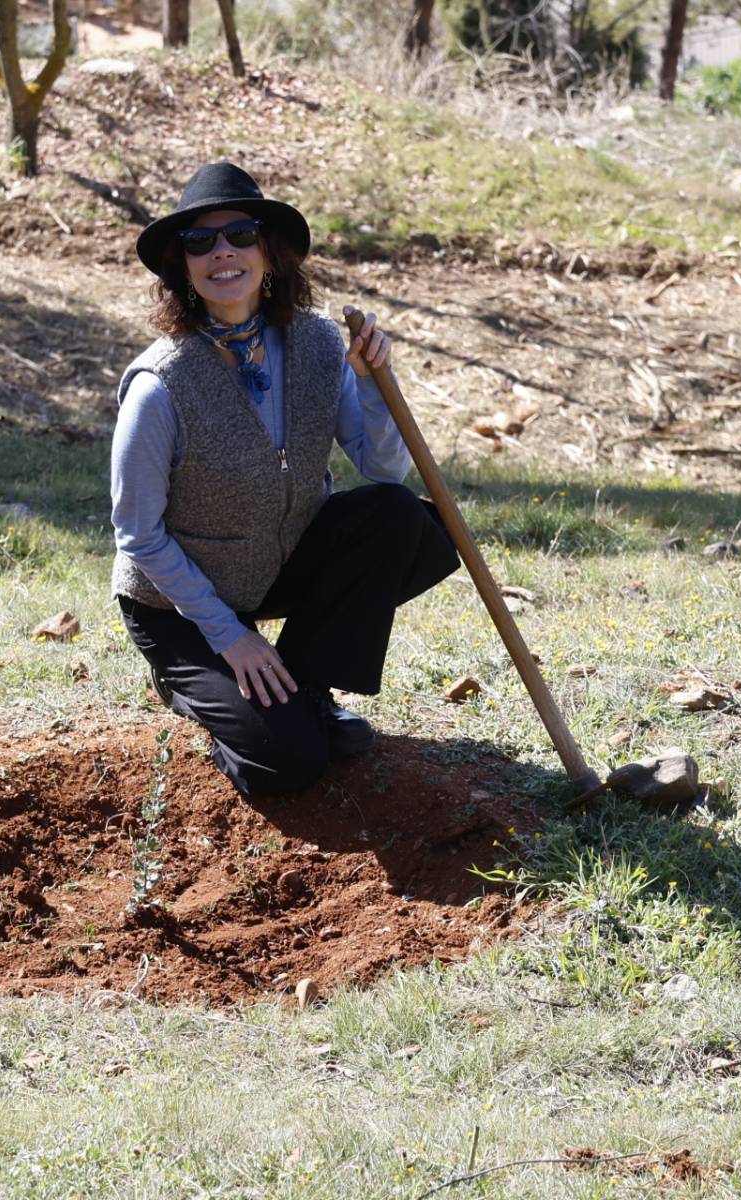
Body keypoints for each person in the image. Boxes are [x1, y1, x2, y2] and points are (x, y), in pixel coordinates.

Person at [111, 162, 460, 794]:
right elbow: (137, 535)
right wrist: (229, 638)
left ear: (269, 252)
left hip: (278, 569)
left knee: (402, 518)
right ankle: (196, 688)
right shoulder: (159, 385)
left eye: (240, 235)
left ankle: (305, 682)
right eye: (200, 242)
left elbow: (384, 471)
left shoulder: (320, 343)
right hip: (178, 608)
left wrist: (373, 383)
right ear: (183, 267)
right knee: (292, 760)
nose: (222, 252)